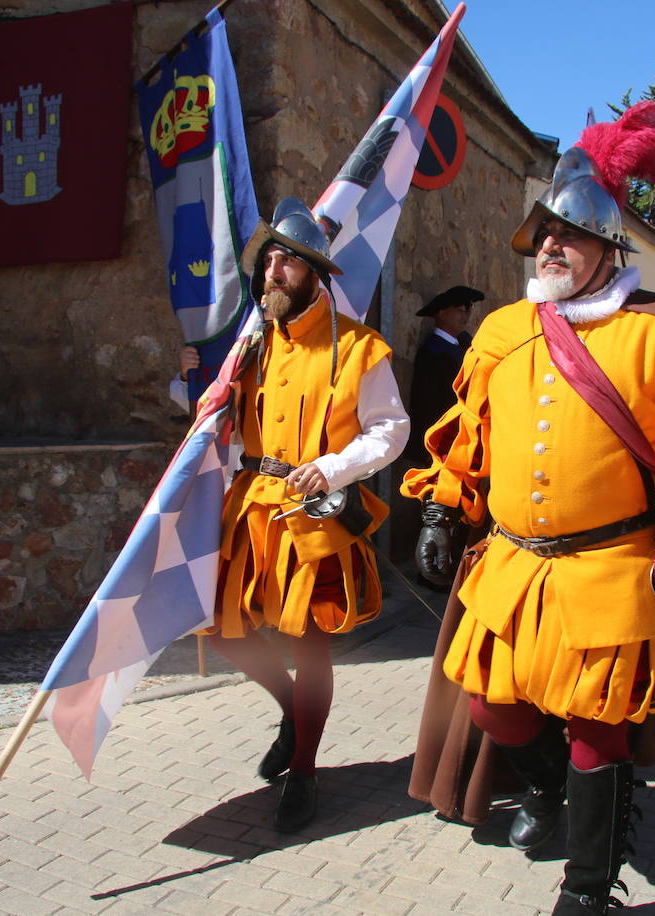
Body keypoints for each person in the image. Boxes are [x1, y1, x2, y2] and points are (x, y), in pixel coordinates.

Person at [402, 103, 655, 914]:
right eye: (542, 233)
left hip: (610, 567)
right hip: (510, 563)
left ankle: (588, 888)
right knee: (494, 707)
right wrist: (441, 511)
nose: (549, 245)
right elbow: (468, 439)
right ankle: (545, 793)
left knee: (598, 731)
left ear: (610, 249)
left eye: (567, 236)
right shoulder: (502, 333)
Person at [207, 197, 408, 832]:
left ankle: (306, 768)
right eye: (268, 261)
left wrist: (336, 466)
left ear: (314, 273)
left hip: (316, 513)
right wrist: (192, 381)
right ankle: (294, 713)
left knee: (310, 646)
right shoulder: (251, 345)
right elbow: (216, 418)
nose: (272, 273)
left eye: (286, 263)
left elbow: (390, 430)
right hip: (252, 509)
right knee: (223, 631)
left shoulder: (358, 348)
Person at [406, 285, 483, 465]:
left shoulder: (465, 344)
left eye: (468, 310)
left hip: (465, 433)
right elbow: (426, 402)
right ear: (442, 313)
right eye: (460, 310)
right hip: (443, 438)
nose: (465, 316)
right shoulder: (433, 351)